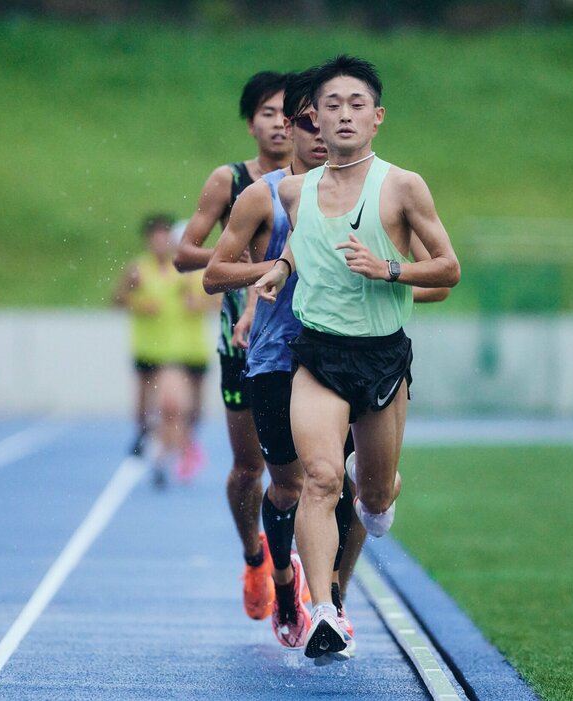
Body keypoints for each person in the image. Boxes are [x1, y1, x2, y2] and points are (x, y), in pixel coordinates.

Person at [205, 68, 452, 651]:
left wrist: (386, 272)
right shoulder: (282, 193)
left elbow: (446, 271)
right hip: (301, 357)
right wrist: (275, 275)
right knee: (312, 480)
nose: (338, 118)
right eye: (327, 107)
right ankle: (320, 605)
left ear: (375, 116)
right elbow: (275, 251)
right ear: (304, 120)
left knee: (368, 495)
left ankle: (357, 539)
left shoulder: (400, 186)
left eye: (354, 105)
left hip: (381, 359)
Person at [173, 71, 293, 619]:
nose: (279, 123)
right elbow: (184, 253)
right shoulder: (231, 180)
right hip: (239, 343)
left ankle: (313, 584)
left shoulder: (318, 181)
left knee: (313, 470)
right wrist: (237, 257)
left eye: (289, 114)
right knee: (250, 468)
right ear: (251, 123)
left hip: (299, 342)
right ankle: (254, 557)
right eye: (268, 113)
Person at [113, 214, 212, 488]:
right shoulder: (138, 269)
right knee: (162, 408)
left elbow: (213, 301)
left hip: (191, 350)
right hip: (155, 351)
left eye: (164, 237)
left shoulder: (187, 270)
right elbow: (117, 300)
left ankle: (176, 445)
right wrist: (134, 301)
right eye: (154, 237)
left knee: (190, 412)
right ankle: (160, 450)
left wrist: (197, 304)